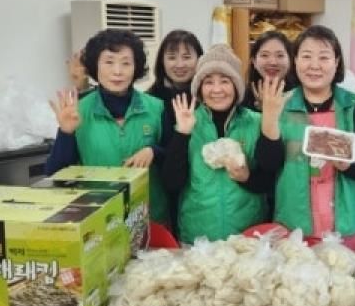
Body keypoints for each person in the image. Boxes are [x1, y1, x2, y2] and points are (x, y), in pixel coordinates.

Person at [161, 44, 284, 243]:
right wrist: (182, 134)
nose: (216, 89)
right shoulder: (188, 122)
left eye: (225, 81)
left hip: (247, 238)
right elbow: (171, 183)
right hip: (197, 237)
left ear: (236, 86)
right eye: (208, 82)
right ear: (200, 89)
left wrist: (247, 177)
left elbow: (271, 175)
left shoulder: (255, 122)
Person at [45, 29, 169, 225]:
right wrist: (66, 133)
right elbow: (55, 175)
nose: (117, 71)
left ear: (136, 68)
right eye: (109, 62)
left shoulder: (156, 108)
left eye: (126, 63)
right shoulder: (79, 110)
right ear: (95, 66)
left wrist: (154, 151)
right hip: (98, 219)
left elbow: (174, 159)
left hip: (149, 217)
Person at [272, 25, 355, 253]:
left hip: (346, 223)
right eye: (306, 56)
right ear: (295, 60)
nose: (314, 65)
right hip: (294, 223)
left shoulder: (354, 106)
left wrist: (347, 166)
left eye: (324, 57)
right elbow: (268, 164)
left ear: (336, 62)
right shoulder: (280, 106)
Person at [146, 29, 203, 234]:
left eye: (187, 57)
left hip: (200, 187)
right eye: (172, 57)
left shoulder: (210, 96)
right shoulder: (150, 100)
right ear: (162, 61)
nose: (179, 64)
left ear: (199, 59)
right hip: (162, 187)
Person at [241, 30, 294, 111]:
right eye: (264, 55)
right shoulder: (241, 97)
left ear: (290, 60)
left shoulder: (301, 94)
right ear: (254, 61)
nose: (273, 62)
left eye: (280, 55)